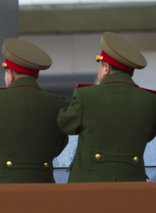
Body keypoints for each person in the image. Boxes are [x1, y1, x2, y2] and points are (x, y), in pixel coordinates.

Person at [0, 38, 68, 183]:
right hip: (41, 184)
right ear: (36, 75)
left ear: (10, 74)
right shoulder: (57, 104)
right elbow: (58, 147)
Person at [57, 32, 156, 182]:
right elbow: (149, 135)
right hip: (132, 184)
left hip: (88, 185)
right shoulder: (150, 100)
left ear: (106, 68)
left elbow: (66, 124)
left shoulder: (86, 95)